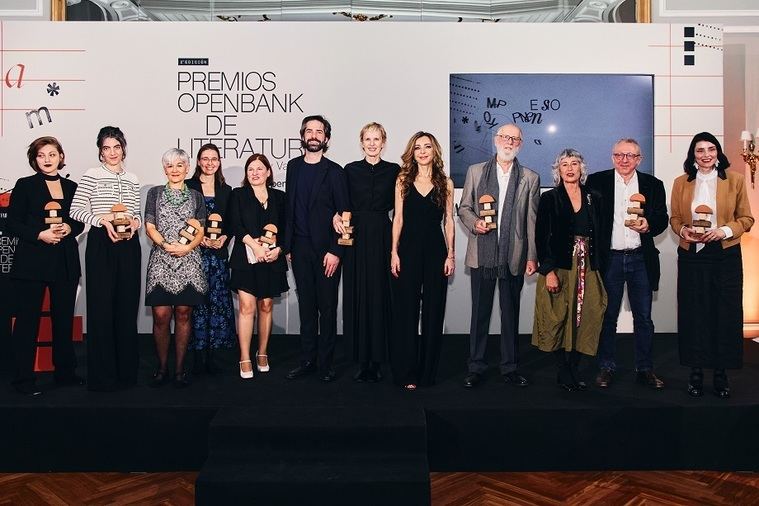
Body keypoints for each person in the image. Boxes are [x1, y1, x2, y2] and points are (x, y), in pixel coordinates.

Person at [670, 132, 753, 398]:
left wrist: (724, 231)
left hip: (725, 255)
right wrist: (683, 231)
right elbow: (675, 218)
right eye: (700, 150)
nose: (706, 155)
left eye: (710, 149)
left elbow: (746, 219)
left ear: (718, 152)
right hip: (693, 255)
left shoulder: (736, 180)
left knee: (725, 314)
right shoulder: (681, 183)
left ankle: (721, 372)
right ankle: (695, 371)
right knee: (694, 313)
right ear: (692, 155)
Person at [458, 123, 540, 389]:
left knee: (510, 314)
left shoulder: (530, 177)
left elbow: (531, 220)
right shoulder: (475, 171)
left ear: (521, 144)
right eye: (504, 137)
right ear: (495, 140)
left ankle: (510, 367)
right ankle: (476, 366)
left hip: (513, 255)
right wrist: (474, 223)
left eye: (514, 139)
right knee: (479, 314)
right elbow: (465, 208)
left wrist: (532, 256)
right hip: (482, 254)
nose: (509, 142)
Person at [586, 139, 668, 390]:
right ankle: (606, 367)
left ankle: (645, 369)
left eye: (630, 156)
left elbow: (662, 218)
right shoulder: (596, 182)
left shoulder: (653, 185)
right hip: (609, 259)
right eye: (619, 155)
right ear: (612, 157)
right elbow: (587, 219)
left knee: (643, 318)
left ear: (639, 159)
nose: (624, 160)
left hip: (640, 258)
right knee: (607, 317)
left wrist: (649, 226)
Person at [6, 136, 85, 396]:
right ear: (34, 159)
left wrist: (69, 227)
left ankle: (65, 375)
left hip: (64, 262)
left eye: (52, 154)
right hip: (32, 262)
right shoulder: (25, 185)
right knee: (28, 322)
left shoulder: (72, 186)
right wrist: (40, 234)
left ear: (61, 157)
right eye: (41, 155)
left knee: (62, 320)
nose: (47, 160)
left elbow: (80, 221)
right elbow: (13, 223)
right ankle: (23, 380)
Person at [71, 126, 142, 392]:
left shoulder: (133, 178)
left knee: (126, 307)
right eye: (106, 148)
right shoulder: (92, 175)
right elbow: (76, 210)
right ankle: (102, 378)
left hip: (128, 245)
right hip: (102, 242)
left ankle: (126, 375)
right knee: (101, 309)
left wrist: (135, 222)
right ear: (100, 152)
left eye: (116, 147)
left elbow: (135, 210)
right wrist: (101, 221)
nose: (112, 153)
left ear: (123, 148)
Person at [533, 149, 607, 391]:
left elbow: (603, 233)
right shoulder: (549, 198)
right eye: (564, 164)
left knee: (586, 315)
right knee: (558, 316)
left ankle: (574, 366)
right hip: (561, 265)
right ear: (558, 170)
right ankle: (562, 370)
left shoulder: (594, 197)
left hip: (589, 265)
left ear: (581, 168)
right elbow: (541, 237)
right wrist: (549, 271)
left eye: (574, 163)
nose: (570, 168)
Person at [284, 115, 349, 383]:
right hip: (298, 250)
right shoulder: (293, 167)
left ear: (326, 138)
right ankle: (308, 360)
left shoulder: (335, 171)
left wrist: (337, 250)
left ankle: (326, 363)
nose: (313, 135)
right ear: (302, 136)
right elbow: (290, 208)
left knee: (328, 307)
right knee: (306, 308)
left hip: (327, 253)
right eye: (308, 131)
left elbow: (345, 213)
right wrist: (287, 246)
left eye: (318, 131)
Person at [390, 131, 455, 390]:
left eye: (427, 147)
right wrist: (393, 252)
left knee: (433, 311)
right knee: (406, 312)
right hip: (407, 250)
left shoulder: (445, 183)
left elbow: (449, 220)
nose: (423, 151)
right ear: (412, 152)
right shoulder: (403, 180)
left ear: (434, 151)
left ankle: (427, 373)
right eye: (418, 147)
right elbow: (398, 219)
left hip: (436, 251)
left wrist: (450, 254)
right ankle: (407, 374)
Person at [338, 122, 399, 383]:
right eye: (368, 139)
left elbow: (399, 210)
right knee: (358, 294)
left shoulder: (395, 171)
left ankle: (379, 358)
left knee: (381, 294)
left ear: (384, 142)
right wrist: (336, 218)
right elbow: (341, 205)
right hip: (355, 237)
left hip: (383, 236)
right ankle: (361, 360)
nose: (372, 143)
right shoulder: (349, 170)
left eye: (377, 139)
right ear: (361, 142)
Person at [144, 148, 208, 388]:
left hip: (189, 259)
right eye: (170, 166)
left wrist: (186, 247)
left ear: (187, 168)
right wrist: (165, 245)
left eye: (179, 165)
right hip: (161, 258)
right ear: (164, 169)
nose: (174, 170)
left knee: (184, 313)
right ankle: (162, 368)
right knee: (161, 316)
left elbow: (201, 229)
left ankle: (180, 370)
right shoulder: (154, 193)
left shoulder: (196, 196)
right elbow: (150, 224)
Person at [228, 154, 289, 379]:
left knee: (266, 306)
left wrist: (279, 249)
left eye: (259, 169)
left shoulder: (280, 197)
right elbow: (236, 224)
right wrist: (255, 246)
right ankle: (244, 356)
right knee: (246, 307)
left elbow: (287, 228)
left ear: (268, 172)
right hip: (246, 257)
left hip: (272, 259)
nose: (254, 173)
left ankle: (262, 353)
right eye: (250, 169)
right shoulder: (238, 195)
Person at [186, 143, 235, 375]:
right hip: (193, 255)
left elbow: (233, 222)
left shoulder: (227, 189)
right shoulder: (188, 187)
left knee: (216, 305)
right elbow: (183, 220)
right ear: (198, 161)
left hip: (217, 257)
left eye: (213, 159)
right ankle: (196, 357)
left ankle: (214, 357)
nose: (209, 163)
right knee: (195, 305)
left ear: (219, 162)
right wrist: (199, 239)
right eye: (204, 159)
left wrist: (224, 237)